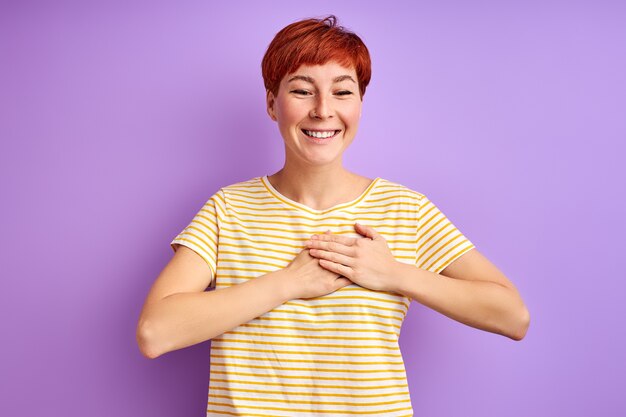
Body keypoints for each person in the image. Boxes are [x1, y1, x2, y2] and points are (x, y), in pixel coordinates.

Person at [136, 15, 530, 416]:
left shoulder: (405, 209)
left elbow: (513, 316)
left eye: (342, 92)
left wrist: (394, 274)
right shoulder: (228, 209)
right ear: (272, 103)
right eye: (303, 90)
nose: (323, 110)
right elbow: (155, 332)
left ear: (359, 104)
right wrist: (288, 283)